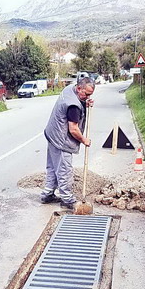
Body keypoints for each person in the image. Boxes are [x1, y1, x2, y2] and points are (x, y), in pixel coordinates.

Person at [41, 77, 95, 209]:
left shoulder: (69, 89)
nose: (88, 97)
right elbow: (73, 129)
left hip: (52, 134)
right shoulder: (73, 106)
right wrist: (84, 140)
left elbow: (79, 101)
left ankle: (47, 194)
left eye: (90, 95)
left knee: (53, 168)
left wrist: (85, 102)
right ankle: (67, 199)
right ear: (79, 88)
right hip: (61, 140)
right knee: (64, 170)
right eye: (86, 94)